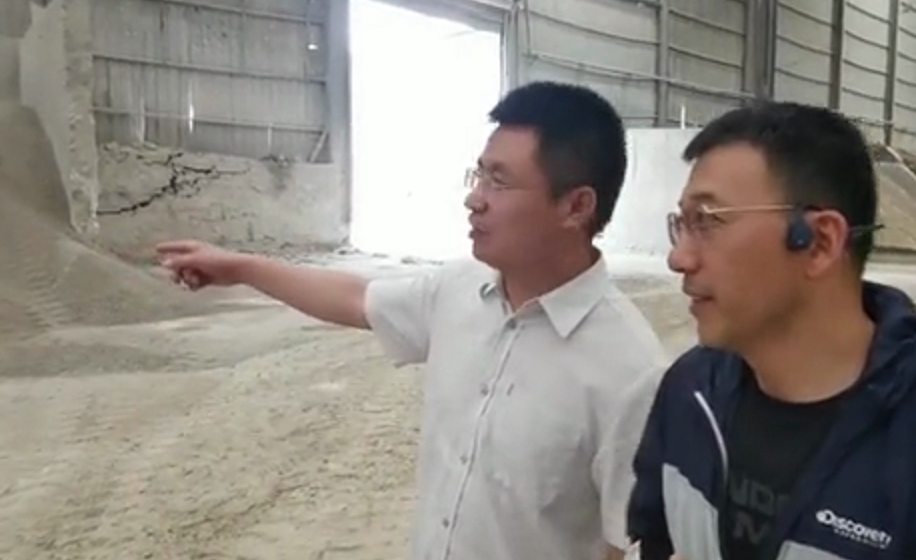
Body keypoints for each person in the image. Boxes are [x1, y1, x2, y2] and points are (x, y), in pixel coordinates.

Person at [157, 81, 667, 560]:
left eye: (499, 181)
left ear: (576, 206)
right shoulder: (459, 289)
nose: (475, 198)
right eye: (478, 174)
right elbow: (356, 299)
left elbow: (619, 544)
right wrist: (241, 268)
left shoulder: (630, 373)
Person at [624, 102, 916, 560]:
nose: (678, 258)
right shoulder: (690, 394)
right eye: (681, 224)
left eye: (708, 220)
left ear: (820, 242)